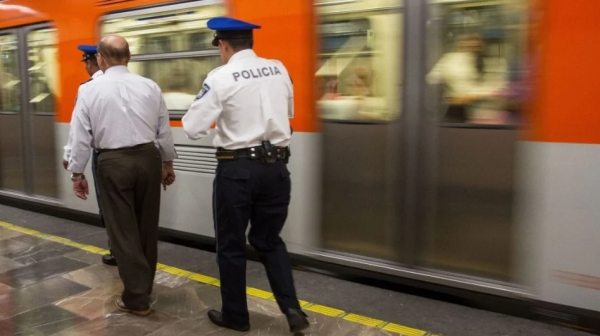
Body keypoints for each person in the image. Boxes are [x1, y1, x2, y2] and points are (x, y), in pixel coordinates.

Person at [181, 17, 309, 333]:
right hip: (277, 169)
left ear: (223, 45)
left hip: (236, 171)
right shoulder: (278, 69)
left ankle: (236, 316)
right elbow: (288, 112)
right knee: (269, 241)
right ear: (250, 43)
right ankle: (292, 309)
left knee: (231, 245)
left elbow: (192, 127)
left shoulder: (220, 76)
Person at [67, 35, 177, 316]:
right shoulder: (150, 86)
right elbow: (163, 128)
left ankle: (136, 297)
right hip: (149, 158)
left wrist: (77, 172)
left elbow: (80, 135)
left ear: (101, 59)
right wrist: (167, 163)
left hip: (113, 163)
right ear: (128, 58)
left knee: (122, 231)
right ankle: (144, 286)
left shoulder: (90, 90)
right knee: (146, 227)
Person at [62, 44, 117, 266]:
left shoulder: (88, 88)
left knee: (109, 206)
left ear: (92, 61)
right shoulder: (138, 84)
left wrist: (74, 165)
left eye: (85, 61)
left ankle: (117, 250)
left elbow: (79, 129)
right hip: (140, 154)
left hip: (105, 155)